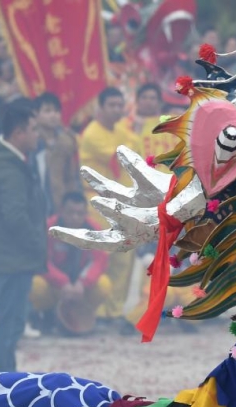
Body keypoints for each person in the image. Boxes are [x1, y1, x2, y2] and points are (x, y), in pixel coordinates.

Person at [79, 87, 142, 332]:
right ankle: (98, 312)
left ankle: (114, 311)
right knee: (103, 257)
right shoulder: (92, 134)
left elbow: (137, 156)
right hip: (98, 203)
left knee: (124, 259)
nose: (117, 109)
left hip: (124, 204)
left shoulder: (121, 131)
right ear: (101, 107)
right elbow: (122, 158)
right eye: (112, 105)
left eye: (120, 105)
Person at [0, 102, 46, 371]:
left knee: (7, 323)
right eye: (34, 129)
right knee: (9, 326)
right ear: (18, 133)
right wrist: (37, 245)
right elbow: (15, 216)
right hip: (10, 259)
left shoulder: (0, 156)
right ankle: (3, 385)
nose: (39, 135)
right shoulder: (8, 166)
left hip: (2, 256)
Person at [29, 192, 110, 335]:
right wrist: (63, 282)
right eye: (70, 212)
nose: (75, 217)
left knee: (104, 284)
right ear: (61, 211)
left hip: (81, 288)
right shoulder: (48, 227)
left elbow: (99, 261)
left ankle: (81, 314)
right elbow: (42, 261)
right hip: (56, 286)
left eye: (80, 213)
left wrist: (83, 283)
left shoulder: (94, 230)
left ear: (86, 213)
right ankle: (47, 314)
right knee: (35, 285)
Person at [32, 92, 80, 214]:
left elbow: (72, 177)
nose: (53, 115)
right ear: (36, 114)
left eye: (56, 111)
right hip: (38, 202)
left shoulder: (67, 141)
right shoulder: (31, 140)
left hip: (61, 203)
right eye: (47, 111)